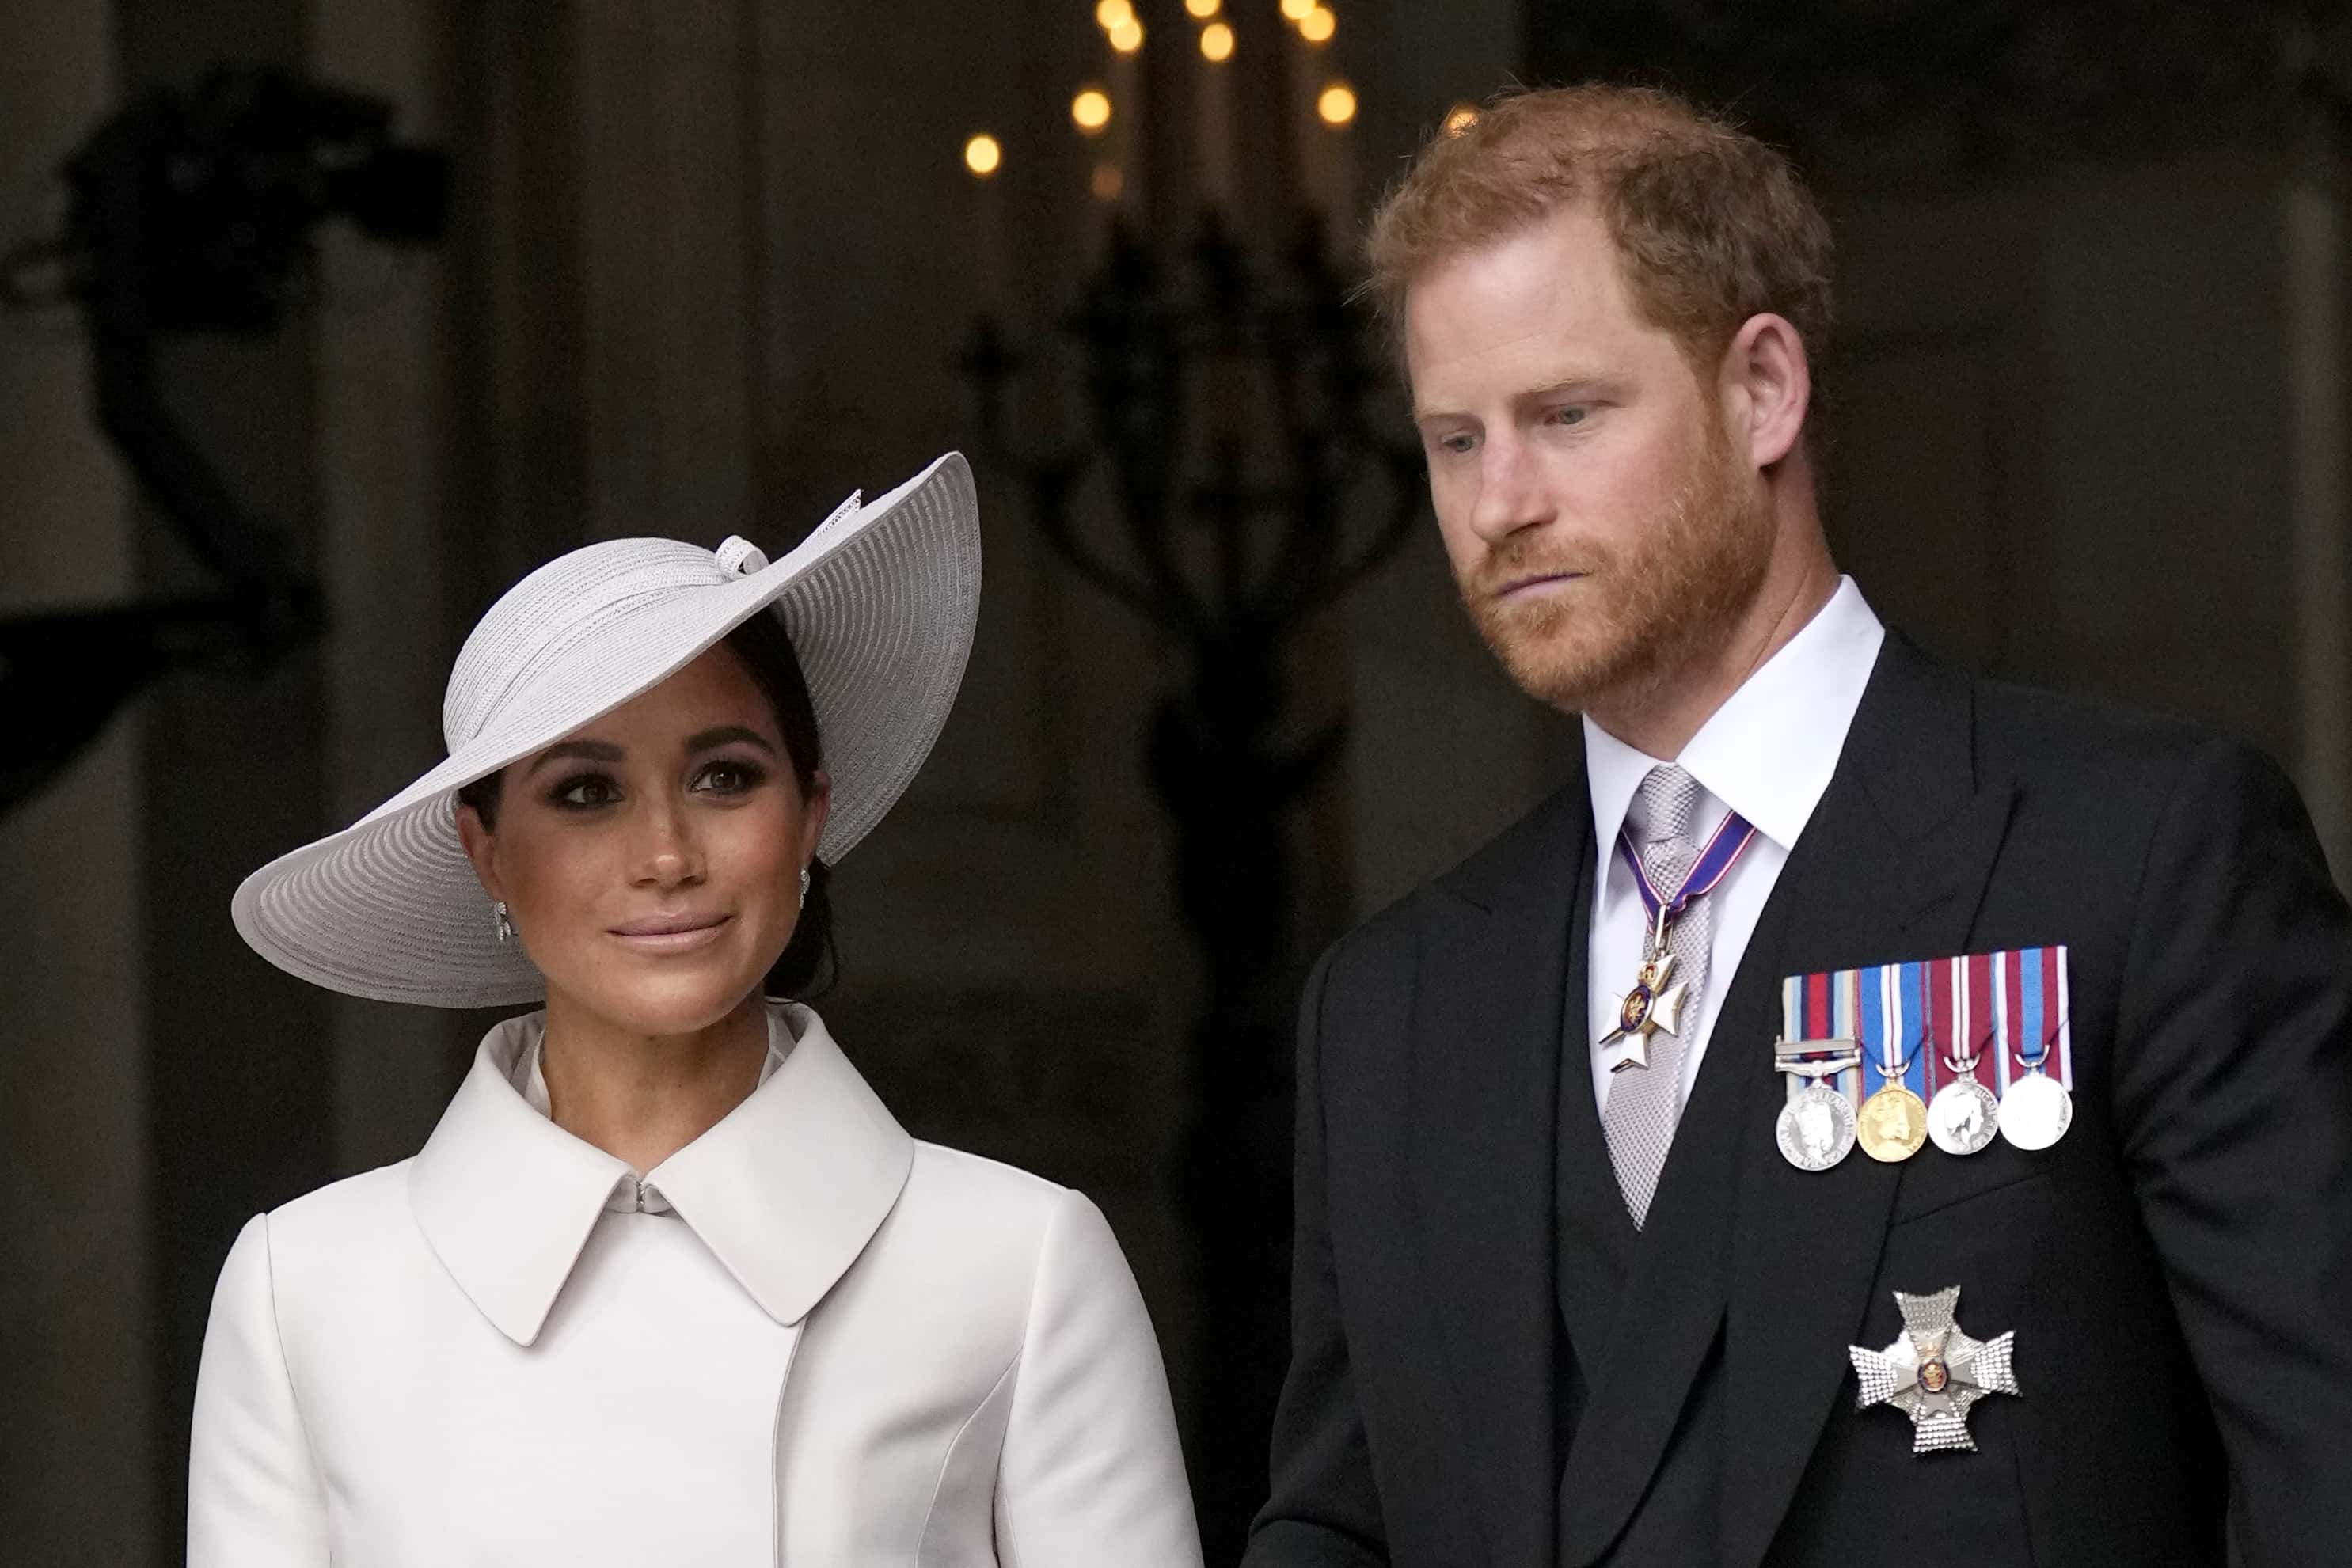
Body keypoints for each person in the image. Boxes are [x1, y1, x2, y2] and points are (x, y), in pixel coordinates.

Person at [1243, 86, 2352, 1568]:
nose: (1499, 501)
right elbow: (1337, 1527)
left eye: (1567, 415)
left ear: (1762, 388)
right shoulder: (1388, 1011)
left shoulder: (2143, 857)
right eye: (1455, 439)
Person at [191, 454, 1203, 1566]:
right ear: (486, 853)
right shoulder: (307, 1290)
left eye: (725, 776)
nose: (667, 854)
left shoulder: (1018, 1260)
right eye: (586, 792)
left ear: (809, 812)